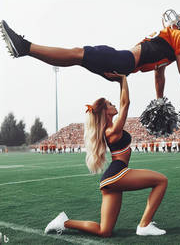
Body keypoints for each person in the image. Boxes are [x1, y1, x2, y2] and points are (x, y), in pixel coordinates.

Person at [44, 73, 168, 237]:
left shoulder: (109, 129)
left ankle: (63, 222)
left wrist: (121, 81)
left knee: (105, 231)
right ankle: (144, 225)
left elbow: (123, 103)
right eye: (110, 104)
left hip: (110, 180)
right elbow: (126, 103)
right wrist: (123, 79)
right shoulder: (112, 130)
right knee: (161, 181)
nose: (114, 104)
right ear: (105, 112)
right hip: (118, 174)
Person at [0, 9, 180, 99]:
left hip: (124, 60)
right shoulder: (169, 44)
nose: (179, 18)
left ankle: (25, 47)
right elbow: (159, 74)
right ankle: (25, 49)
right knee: (78, 57)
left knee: (78, 54)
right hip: (123, 63)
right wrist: (159, 101)